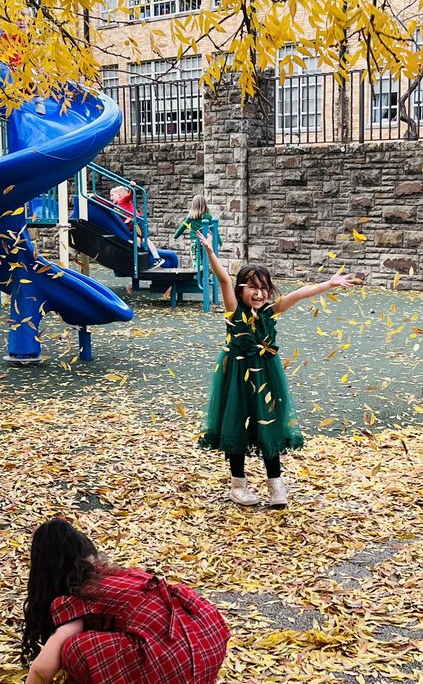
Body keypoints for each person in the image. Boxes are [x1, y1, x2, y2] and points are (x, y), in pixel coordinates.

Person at [197, 232, 357, 509]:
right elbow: (223, 280)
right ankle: (238, 486)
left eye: (263, 288)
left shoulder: (271, 311)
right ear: (240, 291)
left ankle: (276, 486)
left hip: (266, 375)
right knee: (237, 424)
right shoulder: (234, 311)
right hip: (236, 378)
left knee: (268, 423)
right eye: (251, 287)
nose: (258, 293)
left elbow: (298, 294)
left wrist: (328, 284)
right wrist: (211, 252)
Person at [21, 518, 229, 684]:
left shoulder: (81, 594)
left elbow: (44, 667)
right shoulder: (119, 576)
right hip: (204, 638)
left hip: (172, 658)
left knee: (74, 648)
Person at [108, 185, 164, 269]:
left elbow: (130, 196)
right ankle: (138, 260)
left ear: (119, 195)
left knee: (145, 239)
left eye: (112, 195)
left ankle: (157, 258)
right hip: (134, 224)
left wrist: (132, 188)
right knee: (137, 239)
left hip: (138, 222)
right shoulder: (117, 207)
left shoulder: (122, 201)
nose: (110, 197)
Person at [173, 193, 216, 266]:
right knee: (205, 260)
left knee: (196, 261)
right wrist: (219, 242)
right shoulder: (208, 217)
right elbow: (214, 230)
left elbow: (182, 227)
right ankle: (205, 271)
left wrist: (176, 236)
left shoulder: (191, 217)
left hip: (195, 241)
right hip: (204, 241)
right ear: (204, 205)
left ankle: (197, 270)